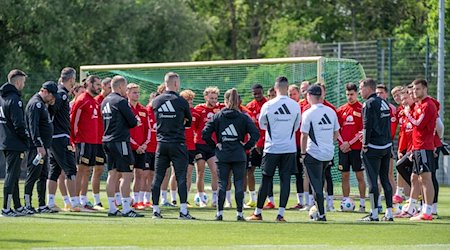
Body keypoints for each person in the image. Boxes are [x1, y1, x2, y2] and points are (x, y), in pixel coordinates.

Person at [246, 76, 301, 222]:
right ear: (287, 88)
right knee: (285, 180)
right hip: (289, 148)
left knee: (266, 179)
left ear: (275, 88)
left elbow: (262, 124)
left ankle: (258, 213)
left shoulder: (269, 105)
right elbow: (296, 126)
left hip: (271, 148)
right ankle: (281, 214)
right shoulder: (295, 105)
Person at [202, 88, 259, 221]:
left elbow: (205, 133)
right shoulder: (243, 116)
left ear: (225, 101)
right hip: (239, 154)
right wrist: (246, 146)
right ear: (238, 101)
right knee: (239, 183)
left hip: (223, 154)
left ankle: (220, 213)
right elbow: (255, 134)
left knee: (223, 183)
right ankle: (239, 213)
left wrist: (215, 145)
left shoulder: (218, 116)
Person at [151, 72, 194, 220]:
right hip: (178, 143)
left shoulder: (156, 101)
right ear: (176, 84)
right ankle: (183, 211)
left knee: (158, 177)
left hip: (161, 143)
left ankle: (155, 210)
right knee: (181, 177)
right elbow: (190, 121)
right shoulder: (181, 101)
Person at [102, 75, 143, 217]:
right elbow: (132, 121)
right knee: (127, 174)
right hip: (120, 141)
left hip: (107, 140)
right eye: (125, 87)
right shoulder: (121, 101)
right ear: (120, 87)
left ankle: (112, 209)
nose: (126, 90)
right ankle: (126, 209)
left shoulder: (105, 100)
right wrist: (136, 121)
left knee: (112, 174)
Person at [300, 84, 340, 221]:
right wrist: (328, 144)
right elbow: (336, 133)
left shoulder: (308, 113)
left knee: (316, 185)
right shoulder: (331, 111)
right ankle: (320, 210)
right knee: (321, 181)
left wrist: (303, 153)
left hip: (314, 153)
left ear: (309, 96)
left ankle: (322, 214)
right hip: (328, 153)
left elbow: (304, 135)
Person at [47, 67, 83, 212]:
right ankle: (74, 203)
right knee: (71, 170)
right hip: (60, 137)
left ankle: (50, 202)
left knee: (54, 171)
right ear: (72, 79)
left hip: (53, 137)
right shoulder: (62, 94)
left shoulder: (59, 93)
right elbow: (51, 111)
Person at [358, 78, 393, 222]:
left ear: (368, 88)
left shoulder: (368, 103)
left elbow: (367, 126)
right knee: (385, 179)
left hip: (373, 147)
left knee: (372, 181)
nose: (360, 91)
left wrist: (365, 144)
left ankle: (373, 213)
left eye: (361, 88)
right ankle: (389, 213)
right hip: (386, 146)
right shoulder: (384, 102)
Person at [404, 79, 437, 221]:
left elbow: (419, 124)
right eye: (414, 89)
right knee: (417, 178)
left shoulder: (428, 105)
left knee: (426, 178)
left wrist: (407, 114)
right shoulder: (420, 105)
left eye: (418, 89)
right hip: (418, 147)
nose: (415, 92)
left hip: (424, 146)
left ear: (425, 89)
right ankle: (421, 210)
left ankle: (428, 211)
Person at [24, 81, 57, 213]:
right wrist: (39, 145)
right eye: (52, 95)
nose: (53, 98)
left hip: (43, 147)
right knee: (32, 175)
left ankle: (42, 205)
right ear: (44, 92)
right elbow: (33, 127)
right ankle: (27, 204)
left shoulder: (42, 104)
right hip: (37, 148)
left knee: (43, 176)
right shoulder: (36, 104)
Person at [70, 75, 102, 211]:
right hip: (83, 141)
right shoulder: (82, 99)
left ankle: (83, 200)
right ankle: (75, 201)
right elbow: (73, 121)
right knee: (81, 170)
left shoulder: (94, 101)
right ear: (89, 84)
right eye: (97, 84)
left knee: (87, 170)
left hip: (93, 141)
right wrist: (73, 139)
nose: (99, 87)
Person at [0, 69, 30, 216]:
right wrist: (27, 139)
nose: (23, 85)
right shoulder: (15, 99)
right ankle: (6, 208)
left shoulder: (2, 97)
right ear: (18, 82)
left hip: (5, 141)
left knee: (14, 174)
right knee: (11, 175)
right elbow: (19, 124)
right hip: (14, 143)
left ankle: (17, 206)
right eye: (23, 82)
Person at [336, 83, 366, 212]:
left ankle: (363, 204)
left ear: (357, 94)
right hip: (343, 148)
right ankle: (345, 201)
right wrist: (343, 143)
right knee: (344, 176)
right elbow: (336, 129)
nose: (349, 97)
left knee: (359, 176)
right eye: (347, 94)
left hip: (356, 148)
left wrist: (350, 143)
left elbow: (362, 130)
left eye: (352, 94)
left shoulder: (362, 109)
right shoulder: (341, 110)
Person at [194, 86, 223, 207]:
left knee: (215, 171)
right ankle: (201, 198)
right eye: (211, 98)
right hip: (200, 145)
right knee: (200, 172)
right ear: (205, 97)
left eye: (215, 98)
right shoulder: (199, 109)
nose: (214, 100)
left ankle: (215, 199)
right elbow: (194, 126)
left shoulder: (220, 109)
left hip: (212, 146)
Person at [168, 89, 199, 206]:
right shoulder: (176, 112)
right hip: (178, 144)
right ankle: (173, 197)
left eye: (191, 101)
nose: (189, 104)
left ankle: (184, 198)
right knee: (175, 172)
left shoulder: (195, 113)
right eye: (187, 101)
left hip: (190, 146)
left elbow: (197, 129)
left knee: (189, 173)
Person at [126, 83, 150, 210]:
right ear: (127, 93)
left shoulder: (143, 110)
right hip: (130, 147)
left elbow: (149, 129)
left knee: (140, 174)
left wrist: (145, 144)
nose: (137, 95)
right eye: (134, 92)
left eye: (138, 92)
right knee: (125, 174)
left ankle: (138, 200)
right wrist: (135, 145)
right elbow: (124, 131)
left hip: (142, 147)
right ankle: (121, 199)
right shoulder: (125, 108)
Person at [244, 84, 267, 208]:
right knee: (249, 170)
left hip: (267, 144)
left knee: (267, 172)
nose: (257, 95)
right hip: (254, 145)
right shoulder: (249, 107)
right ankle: (252, 198)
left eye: (259, 93)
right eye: (255, 94)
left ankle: (270, 199)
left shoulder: (268, 104)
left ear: (263, 91)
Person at [92, 77, 112, 209]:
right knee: (98, 170)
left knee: (115, 171)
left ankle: (116, 199)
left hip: (110, 140)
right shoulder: (96, 101)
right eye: (109, 87)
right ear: (103, 87)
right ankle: (96, 200)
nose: (111, 90)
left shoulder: (112, 101)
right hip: (98, 141)